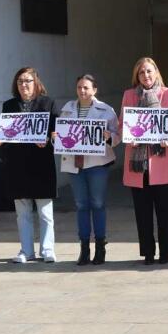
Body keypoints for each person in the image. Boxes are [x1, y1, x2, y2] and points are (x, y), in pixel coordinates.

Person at [0, 67, 59, 263]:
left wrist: (49, 137)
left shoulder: (48, 103)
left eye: (28, 81)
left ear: (36, 83)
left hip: (41, 164)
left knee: (45, 212)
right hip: (17, 165)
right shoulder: (9, 105)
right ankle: (26, 251)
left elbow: (57, 130)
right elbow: (4, 130)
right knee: (22, 213)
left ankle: (47, 250)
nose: (24, 85)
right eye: (20, 81)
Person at [122, 58, 168, 265]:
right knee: (143, 213)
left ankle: (165, 252)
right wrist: (130, 137)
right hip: (138, 165)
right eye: (141, 73)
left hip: (162, 162)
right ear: (136, 76)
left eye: (149, 71)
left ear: (156, 72)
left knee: (165, 213)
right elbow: (123, 124)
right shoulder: (129, 95)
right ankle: (148, 252)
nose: (145, 76)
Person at [58, 74, 120, 265]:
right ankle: (84, 248)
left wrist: (109, 137)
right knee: (81, 205)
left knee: (98, 204)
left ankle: (100, 246)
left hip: (97, 164)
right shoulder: (67, 108)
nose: (82, 91)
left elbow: (117, 137)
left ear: (94, 90)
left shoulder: (106, 110)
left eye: (86, 87)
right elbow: (62, 133)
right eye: (79, 87)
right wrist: (56, 136)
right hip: (74, 164)